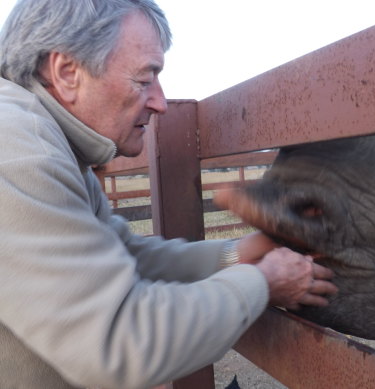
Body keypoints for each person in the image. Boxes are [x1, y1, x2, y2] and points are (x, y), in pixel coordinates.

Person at [0, 0, 338, 388]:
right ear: (67, 73)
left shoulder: (48, 142)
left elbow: (128, 256)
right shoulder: (19, 153)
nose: (160, 102)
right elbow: (121, 343)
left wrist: (238, 254)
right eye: (144, 80)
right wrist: (261, 282)